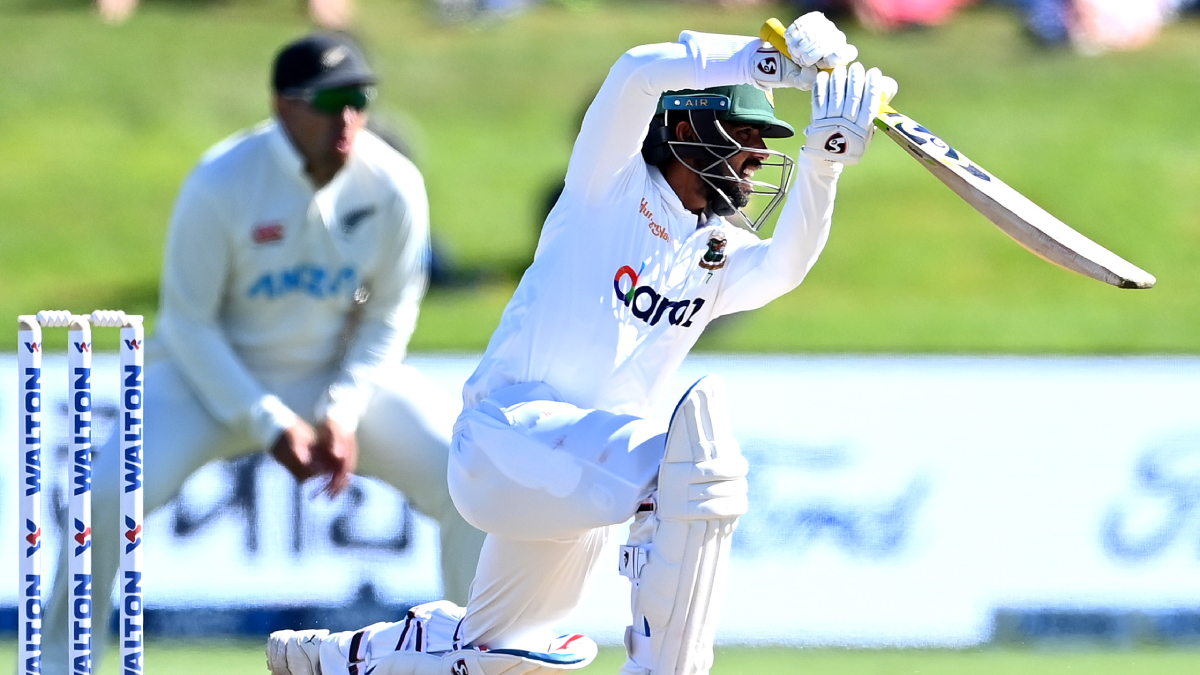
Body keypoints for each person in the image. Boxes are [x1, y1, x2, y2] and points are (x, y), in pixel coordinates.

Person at [266, 12, 893, 675]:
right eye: (745, 135)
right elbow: (635, 75)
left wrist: (824, 166)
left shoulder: (714, 251)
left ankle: (344, 658)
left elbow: (782, 267)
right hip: (509, 440)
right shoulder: (610, 186)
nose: (761, 155)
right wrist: (761, 64)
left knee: (496, 655)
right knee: (693, 468)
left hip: (575, 485)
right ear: (686, 131)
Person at [38, 32, 485, 675]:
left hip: (332, 377)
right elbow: (188, 325)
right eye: (328, 101)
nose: (347, 118)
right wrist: (269, 422)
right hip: (206, 382)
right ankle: (57, 663)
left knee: (465, 473)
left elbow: (390, 316)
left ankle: (468, 658)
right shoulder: (221, 181)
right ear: (283, 106)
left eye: (359, 98)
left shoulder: (393, 184)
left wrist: (343, 407)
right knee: (103, 493)